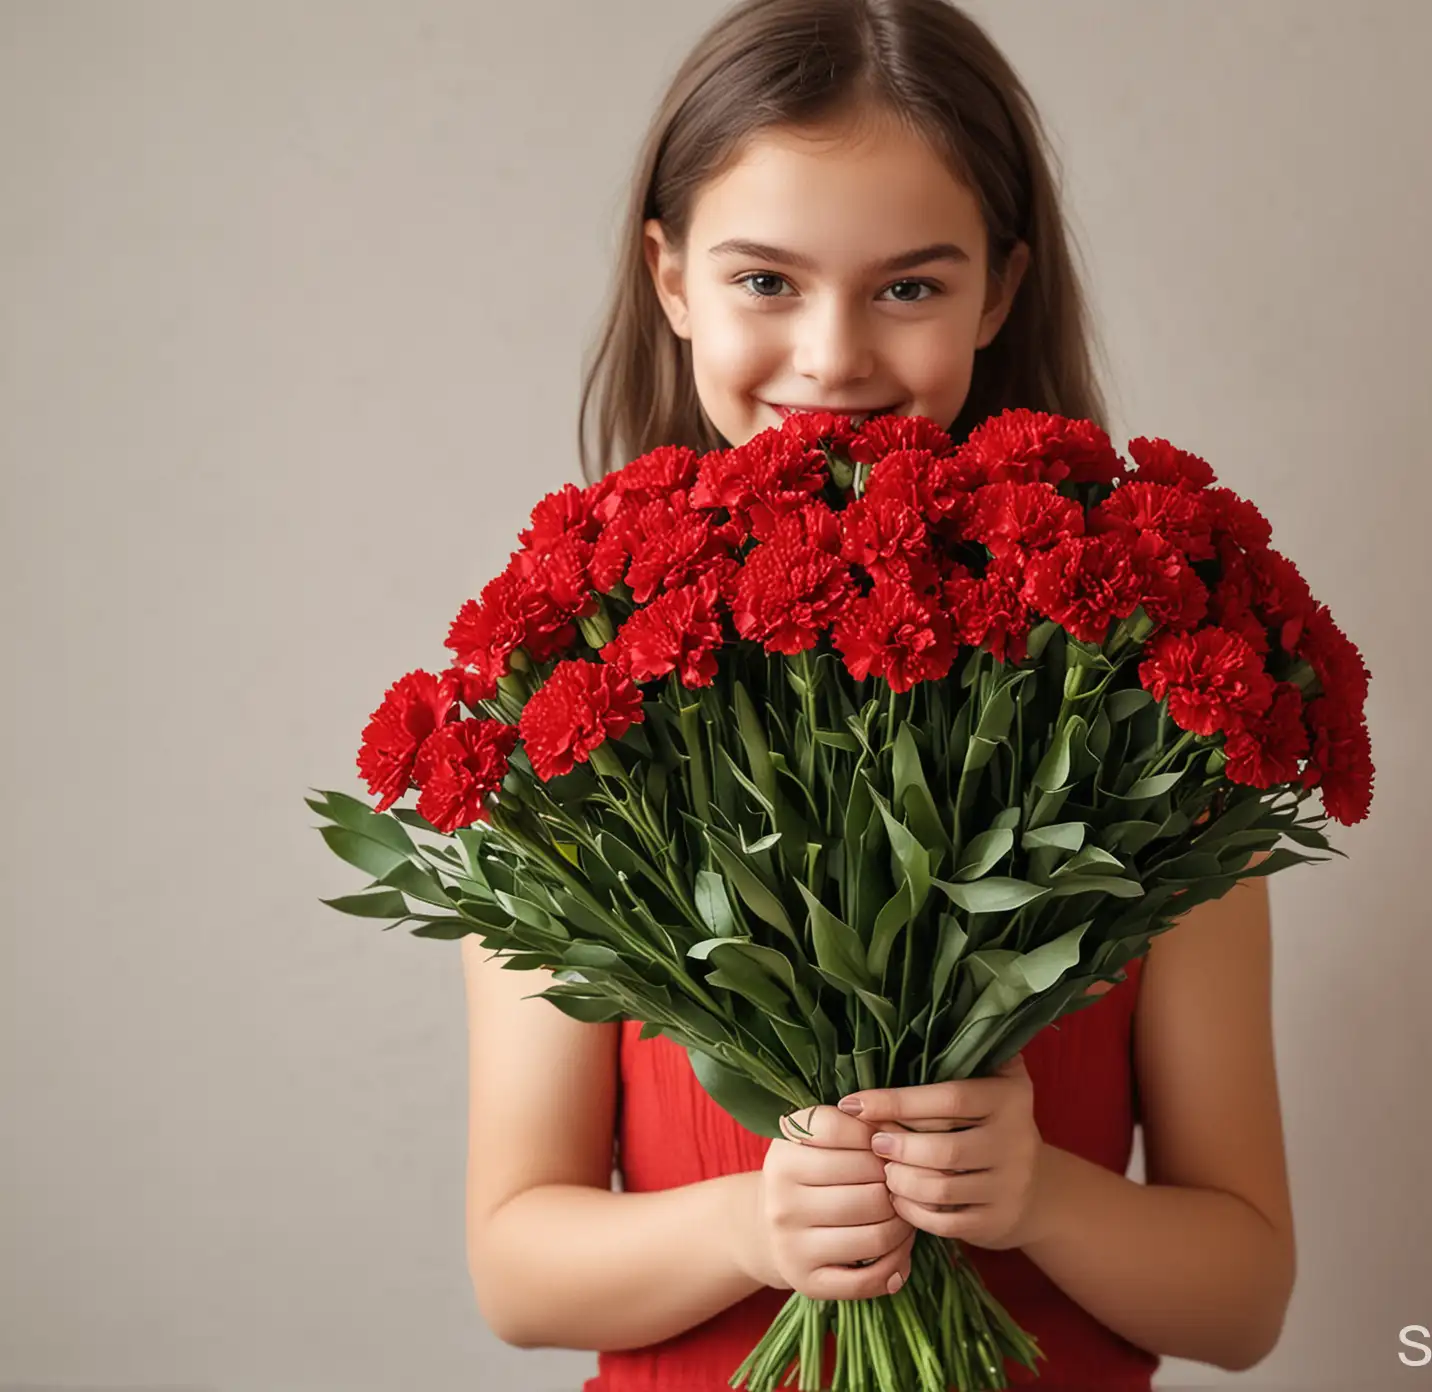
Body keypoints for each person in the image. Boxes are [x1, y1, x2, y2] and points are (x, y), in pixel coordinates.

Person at [460, 1, 1296, 1387]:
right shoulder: (572, 712)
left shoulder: (1154, 714)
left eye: (909, 286)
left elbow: (1244, 1300)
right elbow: (515, 1267)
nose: (834, 355)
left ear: (1001, 289)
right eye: (765, 282)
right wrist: (753, 1224)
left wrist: (1047, 1201)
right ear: (671, 280)